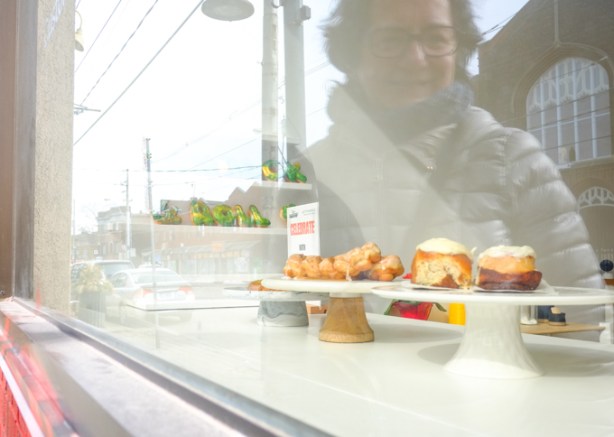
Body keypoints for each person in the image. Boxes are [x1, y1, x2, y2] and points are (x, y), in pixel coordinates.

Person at [304, 0, 604, 332]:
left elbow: (583, 317)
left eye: (436, 38)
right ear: (352, 52)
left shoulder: (512, 157)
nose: (416, 58)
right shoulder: (313, 171)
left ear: (457, 50)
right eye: (391, 40)